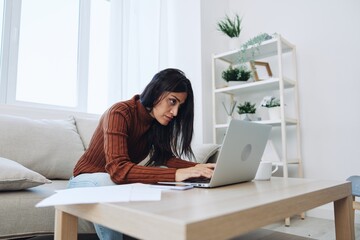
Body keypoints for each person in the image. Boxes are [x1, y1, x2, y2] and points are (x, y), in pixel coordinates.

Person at [68, 68, 215, 240]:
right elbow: (118, 170)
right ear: (156, 91)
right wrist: (176, 174)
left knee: (168, 180)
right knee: (108, 183)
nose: (175, 113)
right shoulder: (120, 112)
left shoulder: (158, 124)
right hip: (85, 179)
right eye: (172, 101)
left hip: (111, 180)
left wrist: (199, 168)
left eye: (179, 106)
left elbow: (165, 159)